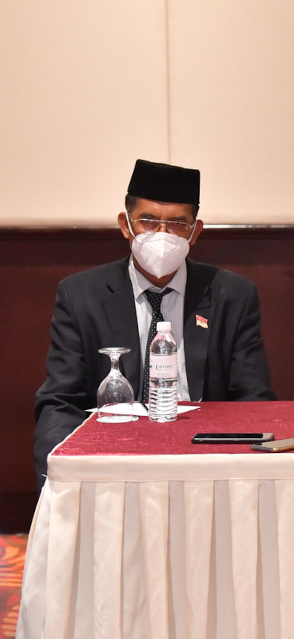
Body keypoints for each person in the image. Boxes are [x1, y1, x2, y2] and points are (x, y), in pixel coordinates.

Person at [34, 159, 276, 490]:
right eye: (147, 221)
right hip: (115, 460)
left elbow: (254, 397)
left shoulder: (232, 295)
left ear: (195, 232)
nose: (162, 235)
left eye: (178, 224)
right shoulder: (81, 296)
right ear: (125, 224)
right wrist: (59, 475)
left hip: (206, 461)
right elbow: (60, 401)